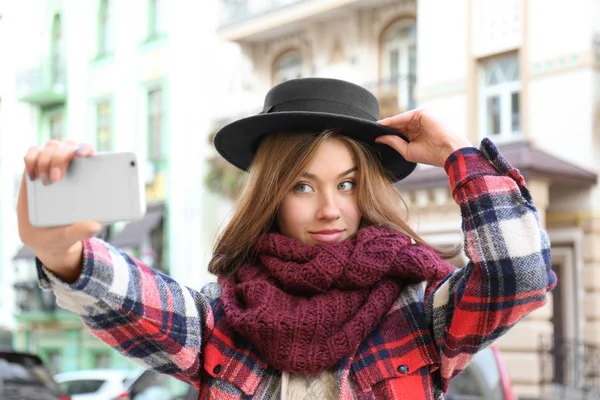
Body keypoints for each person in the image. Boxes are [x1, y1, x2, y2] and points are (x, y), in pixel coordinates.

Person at [17, 78, 556, 399]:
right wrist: (60, 249)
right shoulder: (220, 319)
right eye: (302, 185)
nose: (329, 208)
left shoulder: (419, 312)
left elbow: (519, 275)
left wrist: (457, 153)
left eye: (346, 184)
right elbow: (128, 298)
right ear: (273, 195)